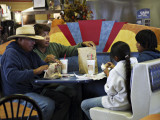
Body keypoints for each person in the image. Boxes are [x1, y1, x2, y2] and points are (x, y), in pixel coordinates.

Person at [1, 26, 71, 120]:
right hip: (17, 94)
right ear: (20, 39)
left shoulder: (31, 54)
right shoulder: (11, 53)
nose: (34, 43)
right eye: (31, 40)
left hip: (33, 90)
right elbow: (10, 76)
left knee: (64, 100)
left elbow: (43, 67)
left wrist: (53, 66)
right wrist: (35, 71)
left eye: (34, 40)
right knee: (47, 105)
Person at [33, 23, 96, 120]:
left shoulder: (54, 47)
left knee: (74, 94)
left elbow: (69, 50)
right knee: (65, 99)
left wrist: (82, 44)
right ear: (36, 39)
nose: (47, 38)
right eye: (43, 35)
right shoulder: (32, 52)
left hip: (55, 84)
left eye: (48, 34)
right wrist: (45, 61)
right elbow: (33, 70)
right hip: (42, 87)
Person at [81, 41, 138, 120]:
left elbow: (110, 92)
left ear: (116, 58)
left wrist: (108, 74)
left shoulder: (115, 72)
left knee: (84, 104)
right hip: (131, 103)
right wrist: (114, 70)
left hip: (120, 104)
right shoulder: (135, 65)